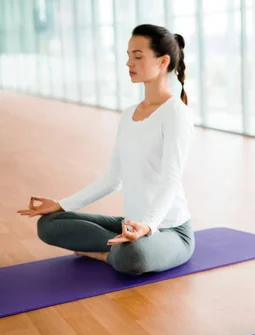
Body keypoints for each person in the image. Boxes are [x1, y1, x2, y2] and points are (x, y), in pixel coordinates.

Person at [17, 24, 195, 276]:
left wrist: (147, 226)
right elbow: (113, 179)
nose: (128, 63)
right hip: (130, 226)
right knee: (48, 225)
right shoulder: (128, 115)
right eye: (128, 55)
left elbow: (170, 180)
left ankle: (102, 254)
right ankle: (115, 250)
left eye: (138, 56)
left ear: (163, 61)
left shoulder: (176, 113)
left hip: (170, 231)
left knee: (134, 255)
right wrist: (61, 204)